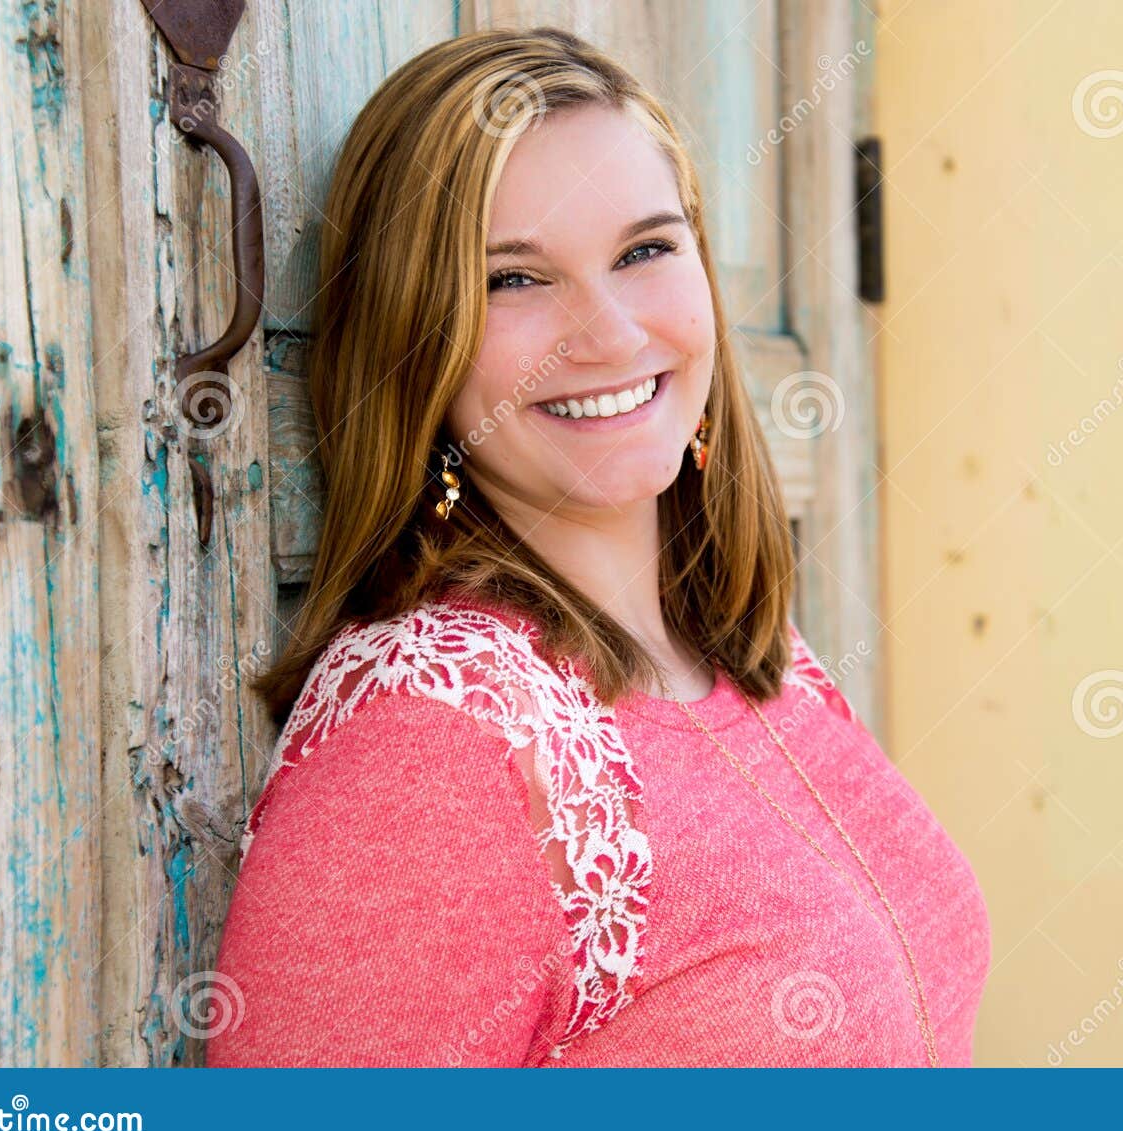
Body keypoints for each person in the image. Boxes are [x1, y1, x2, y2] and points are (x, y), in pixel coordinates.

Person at [205, 25, 990, 1068]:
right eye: (514, 281)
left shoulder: (761, 658)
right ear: (413, 341)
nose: (612, 334)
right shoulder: (431, 737)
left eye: (644, 250)